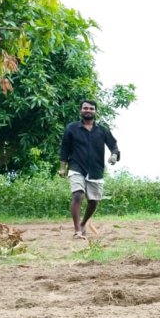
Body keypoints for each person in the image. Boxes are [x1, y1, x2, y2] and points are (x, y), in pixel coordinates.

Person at [58, 99, 120, 239]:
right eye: (85, 108)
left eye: (91, 108)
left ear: (95, 111)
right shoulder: (72, 128)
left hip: (96, 169)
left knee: (93, 201)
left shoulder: (103, 130)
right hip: (76, 166)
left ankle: (83, 223)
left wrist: (114, 156)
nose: (88, 110)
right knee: (78, 194)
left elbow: (113, 145)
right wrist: (62, 167)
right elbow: (64, 148)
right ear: (80, 110)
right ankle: (77, 231)